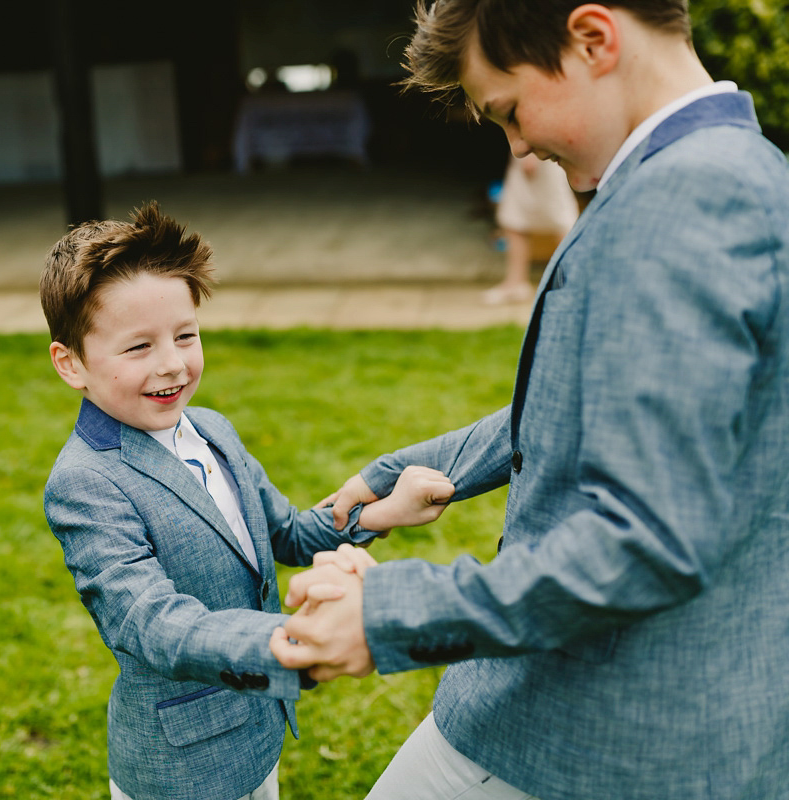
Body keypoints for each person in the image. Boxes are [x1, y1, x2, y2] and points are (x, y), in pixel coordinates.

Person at [269, 2, 789, 799]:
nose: (518, 145)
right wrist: (410, 468)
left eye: (510, 110)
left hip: (589, 727)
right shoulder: (742, 171)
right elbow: (618, 401)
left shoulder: (685, 200)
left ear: (593, 38)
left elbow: (647, 539)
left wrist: (390, 616)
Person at [40, 201, 455, 800]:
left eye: (186, 335)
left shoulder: (211, 428)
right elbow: (152, 624)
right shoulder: (85, 483)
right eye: (139, 348)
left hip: (256, 732)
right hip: (182, 765)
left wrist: (382, 513)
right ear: (71, 363)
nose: (174, 363)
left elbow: (282, 531)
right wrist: (294, 645)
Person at [482, 152, 580, 305]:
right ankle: (516, 283)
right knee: (514, 220)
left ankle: (574, 282)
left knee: (561, 219)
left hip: (540, 156)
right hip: (530, 156)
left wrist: (530, 155)